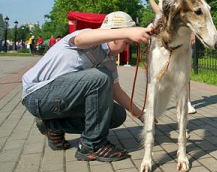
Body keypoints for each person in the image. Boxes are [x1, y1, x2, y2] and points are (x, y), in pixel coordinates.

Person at [22, 11, 153, 162]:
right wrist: (128, 31)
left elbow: (117, 93)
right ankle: (92, 145)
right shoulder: (86, 36)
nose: (126, 48)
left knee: (117, 114)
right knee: (100, 77)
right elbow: (80, 40)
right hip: (38, 96)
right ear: (116, 34)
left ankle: (53, 125)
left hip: (58, 101)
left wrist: (143, 115)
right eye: (127, 42)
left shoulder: (108, 61)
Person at [139, 0, 197, 114]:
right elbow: (159, 13)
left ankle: (187, 101)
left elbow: (190, 10)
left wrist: (192, 32)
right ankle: (153, 102)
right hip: (167, 33)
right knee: (159, 67)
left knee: (183, 67)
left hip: (182, 33)